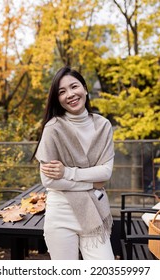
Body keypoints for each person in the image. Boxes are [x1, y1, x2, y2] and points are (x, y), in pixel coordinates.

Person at [34, 66, 115, 260]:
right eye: (62, 92)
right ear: (57, 99)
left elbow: (105, 173)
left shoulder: (103, 125)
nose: (70, 94)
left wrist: (67, 173)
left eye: (74, 87)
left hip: (94, 211)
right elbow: (49, 181)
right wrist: (92, 182)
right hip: (61, 213)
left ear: (85, 89)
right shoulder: (53, 128)